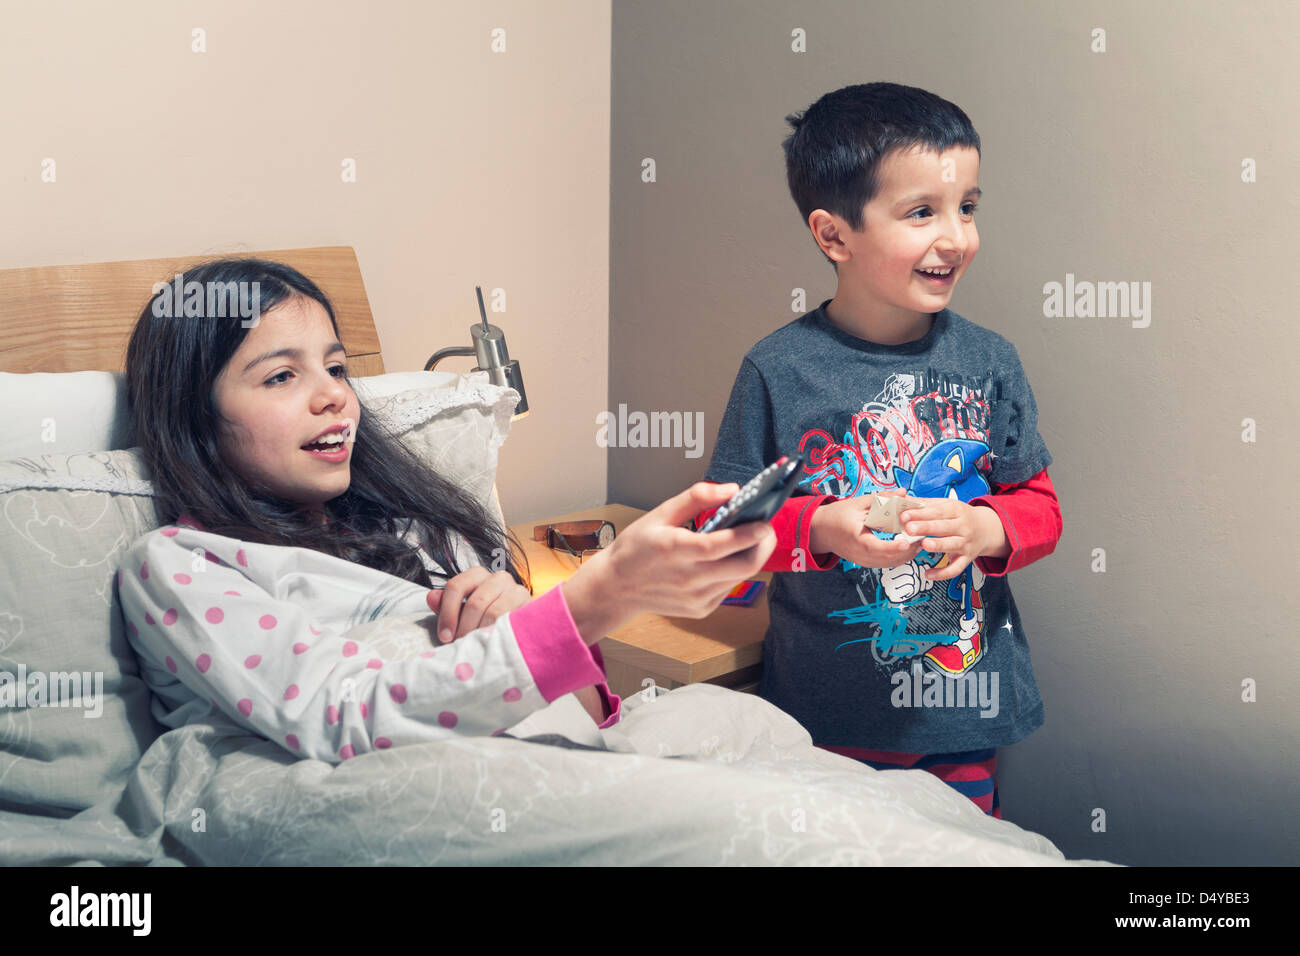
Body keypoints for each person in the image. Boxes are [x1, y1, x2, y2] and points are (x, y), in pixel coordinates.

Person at [118, 258, 775, 764]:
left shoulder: (422, 527)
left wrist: (524, 618)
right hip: (437, 787)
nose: (335, 399)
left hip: (565, 756)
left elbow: (590, 717)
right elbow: (338, 716)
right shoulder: (181, 565)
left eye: (337, 368)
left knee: (754, 726)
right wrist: (593, 599)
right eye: (282, 376)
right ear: (194, 416)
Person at [698, 82, 1062, 819]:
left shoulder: (991, 361)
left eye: (967, 207)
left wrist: (986, 527)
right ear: (834, 236)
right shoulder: (779, 371)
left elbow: (1041, 509)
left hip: (962, 716)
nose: (956, 236)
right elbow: (724, 537)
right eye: (921, 212)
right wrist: (822, 531)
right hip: (825, 719)